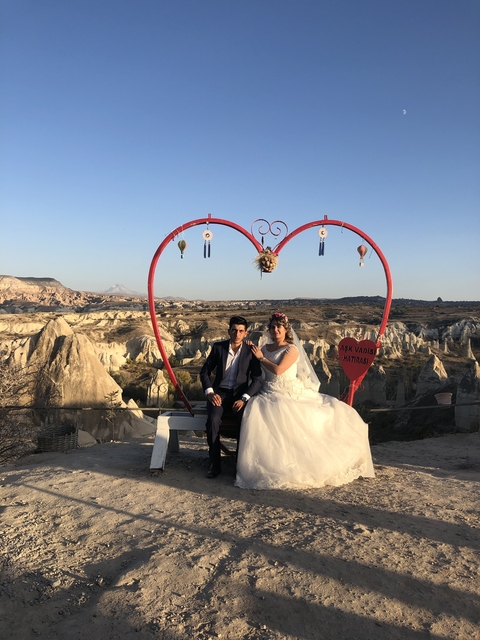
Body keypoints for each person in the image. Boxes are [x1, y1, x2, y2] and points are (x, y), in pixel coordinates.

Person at [235, 312, 375, 490]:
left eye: (279, 326)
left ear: (286, 329)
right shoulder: (266, 347)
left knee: (282, 413)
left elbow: (278, 370)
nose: (275, 330)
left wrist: (261, 357)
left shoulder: (291, 350)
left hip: (287, 392)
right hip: (267, 391)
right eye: (272, 327)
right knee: (256, 414)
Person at [200, 316, 262, 478]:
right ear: (229, 331)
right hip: (219, 393)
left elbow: (257, 379)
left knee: (246, 423)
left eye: (241, 331)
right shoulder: (218, 348)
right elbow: (204, 372)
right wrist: (210, 392)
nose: (237, 333)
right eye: (234, 330)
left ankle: (240, 465)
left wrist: (245, 398)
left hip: (239, 396)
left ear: (246, 333)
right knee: (213, 420)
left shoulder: (250, 352)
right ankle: (214, 463)